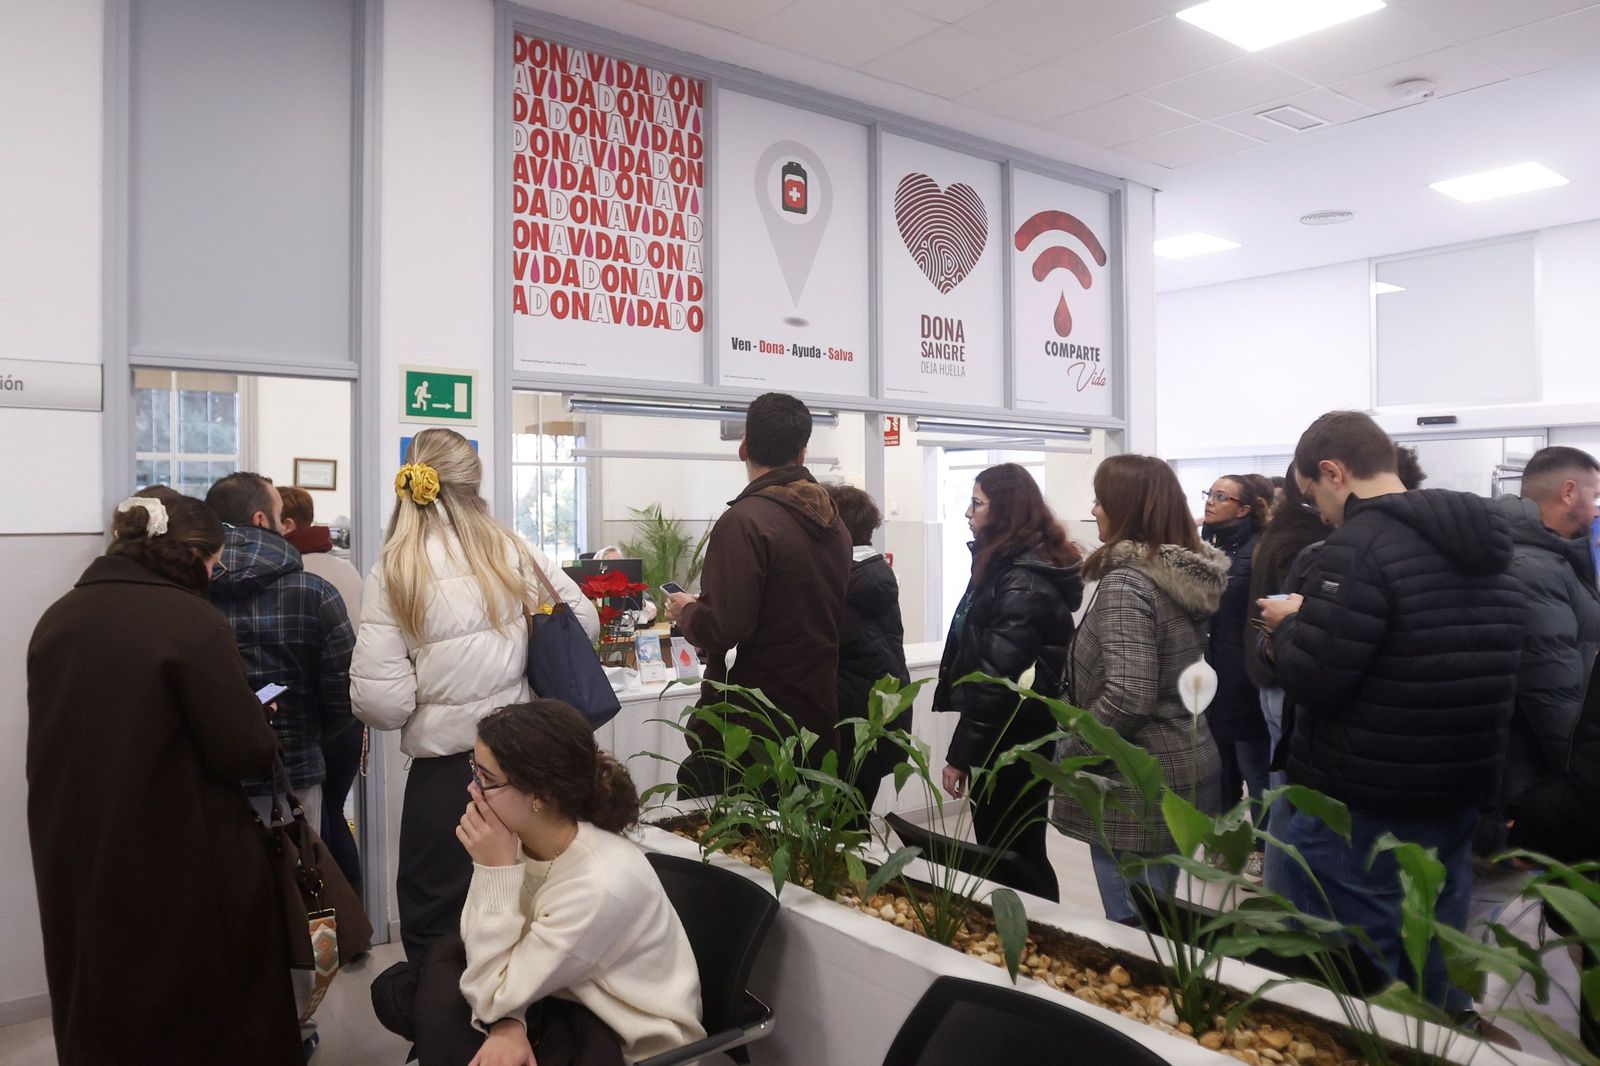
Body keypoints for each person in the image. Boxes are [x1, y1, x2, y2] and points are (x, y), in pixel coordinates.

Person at [1258, 411, 1524, 1007]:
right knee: (1431, 948)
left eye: (1314, 497)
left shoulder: (1356, 548)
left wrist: (1292, 622)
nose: (1321, 515)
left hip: (1362, 800)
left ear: (1334, 471)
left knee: (1353, 981)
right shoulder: (1490, 545)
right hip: (1455, 789)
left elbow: (1317, 681)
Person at [27, 488, 301, 1065]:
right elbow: (241, 751)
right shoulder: (190, 622)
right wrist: (256, 719)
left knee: (103, 994)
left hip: (77, 850)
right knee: (199, 1007)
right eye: (214, 560)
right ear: (192, 554)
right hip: (176, 853)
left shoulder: (58, 618)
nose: (216, 571)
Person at [352, 428, 599, 963]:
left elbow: (383, 705)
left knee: (437, 922)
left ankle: (441, 1034)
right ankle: (511, 1024)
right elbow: (585, 623)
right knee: (524, 905)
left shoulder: (393, 570)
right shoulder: (511, 549)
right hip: (523, 768)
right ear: (475, 483)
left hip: (445, 781)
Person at [372, 701, 704, 1066]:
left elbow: (491, 993)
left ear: (539, 796)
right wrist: (510, 1022)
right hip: (561, 994)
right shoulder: (525, 839)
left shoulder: (598, 883)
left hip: (624, 1034)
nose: (472, 789)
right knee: (404, 988)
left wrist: (493, 871)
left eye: (487, 779)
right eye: (474, 770)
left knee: (434, 1002)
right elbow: (478, 948)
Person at [1051, 455, 1228, 924]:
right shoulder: (1179, 576)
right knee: (1160, 915)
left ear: (1125, 507)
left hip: (1134, 780)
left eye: (1101, 500)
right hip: (1180, 761)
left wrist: (1075, 749)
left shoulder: (1130, 581)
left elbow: (1129, 694)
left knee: (1137, 931)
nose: (1093, 510)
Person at [666, 393, 851, 794]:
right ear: (803, 453)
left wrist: (687, 611)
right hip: (813, 723)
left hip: (749, 732)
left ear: (744, 446)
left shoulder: (746, 521)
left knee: (732, 851)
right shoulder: (835, 526)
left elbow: (723, 629)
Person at [935, 463, 1082, 901]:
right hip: (1014, 734)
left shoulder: (1020, 581)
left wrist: (960, 756)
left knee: (1014, 850)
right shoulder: (1008, 568)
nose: (967, 512)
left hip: (1017, 737)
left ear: (1003, 513)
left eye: (977, 503)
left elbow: (996, 678)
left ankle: (1036, 931)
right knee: (1009, 844)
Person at [279, 483, 367, 898]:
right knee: (333, 810)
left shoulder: (297, 574)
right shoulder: (344, 569)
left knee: (316, 820)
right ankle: (355, 912)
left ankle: (335, 918)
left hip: (316, 717)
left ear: (289, 523)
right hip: (351, 717)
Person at [1198, 473, 1273, 878]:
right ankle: (1225, 843)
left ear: (1244, 509)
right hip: (1210, 675)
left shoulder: (1257, 551)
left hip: (1244, 677)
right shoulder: (1209, 547)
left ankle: (1263, 849)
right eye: (1209, 494)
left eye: (1221, 496)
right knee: (1218, 768)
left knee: (1253, 768)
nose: (1211, 501)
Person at [828, 484, 911, 812]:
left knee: (838, 833)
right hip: (877, 728)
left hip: (851, 733)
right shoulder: (875, 575)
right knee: (854, 823)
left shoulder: (846, 586)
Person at [595, 545, 657, 624]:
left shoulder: (629, 587)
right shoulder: (591, 592)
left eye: (620, 563)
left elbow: (651, 609)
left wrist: (645, 604)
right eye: (611, 564)